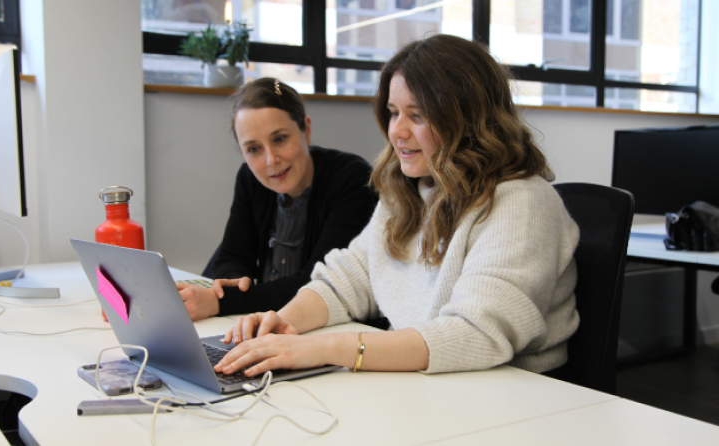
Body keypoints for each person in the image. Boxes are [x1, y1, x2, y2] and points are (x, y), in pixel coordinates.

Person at [213, 34, 580, 378]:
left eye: (417, 116)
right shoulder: (412, 191)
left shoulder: (523, 203)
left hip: (512, 395)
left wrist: (323, 347)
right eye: (393, 112)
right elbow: (351, 277)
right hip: (434, 385)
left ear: (467, 119)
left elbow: (476, 334)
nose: (396, 132)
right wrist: (285, 322)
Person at [177, 78, 378, 321]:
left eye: (280, 139)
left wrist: (222, 301)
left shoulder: (352, 178)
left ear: (306, 129)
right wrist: (235, 280)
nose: (271, 160)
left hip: (332, 327)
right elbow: (232, 257)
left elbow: (317, 284)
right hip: (265, 322)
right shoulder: (249, 180)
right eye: (253, 149)